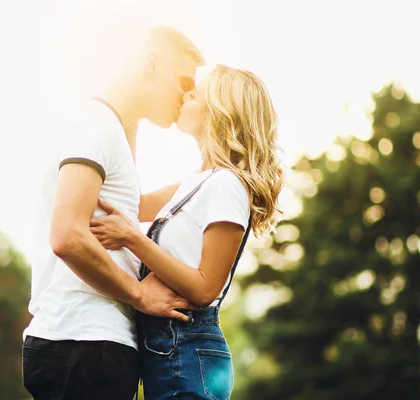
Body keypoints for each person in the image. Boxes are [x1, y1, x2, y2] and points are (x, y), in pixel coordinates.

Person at [22, 27, 205, 400]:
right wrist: (140, 296)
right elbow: (67, 236)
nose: (187, 94)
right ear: (151, 62)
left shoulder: (111, 130)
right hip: (85, 343)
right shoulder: (96, 127)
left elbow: (133, 206)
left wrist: (221, 175)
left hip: (91, 346)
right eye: (183, 79)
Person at [90, 64, 285, 399]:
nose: (184, 95)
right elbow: (130, 203)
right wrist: (133, 116)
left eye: (195, 93)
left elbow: (205, 287)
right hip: (168, 349)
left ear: (220, 110)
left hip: (189, 352)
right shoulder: (197, 182)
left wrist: (132, 239)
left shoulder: (226, 185)